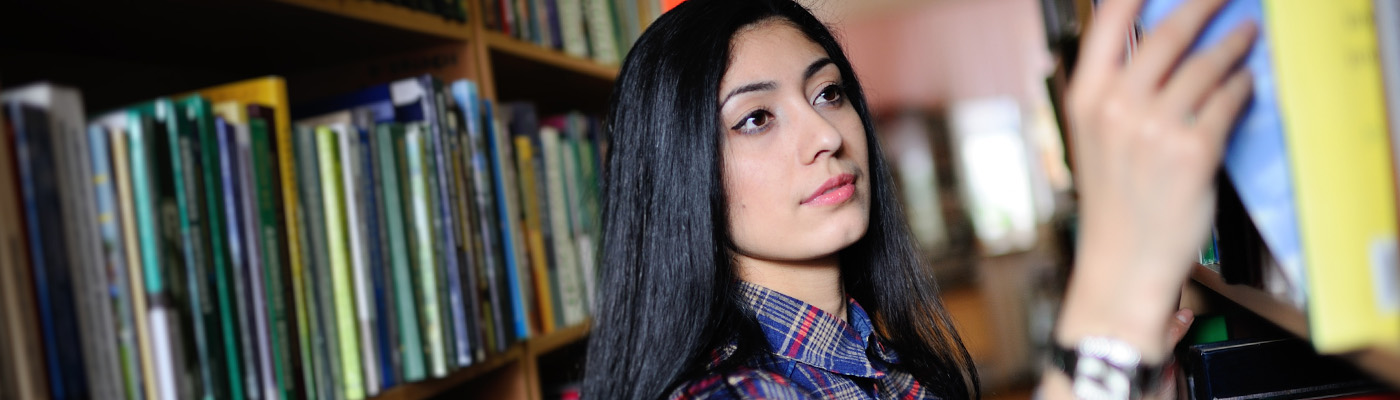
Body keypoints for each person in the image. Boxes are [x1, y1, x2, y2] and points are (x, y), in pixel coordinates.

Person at [582, 0, 1255, 398]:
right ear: (678, 174)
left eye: (829, 93)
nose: (825, 134)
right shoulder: (735, 394)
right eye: (756, 119)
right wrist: (1100, 336)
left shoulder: (882, 357)